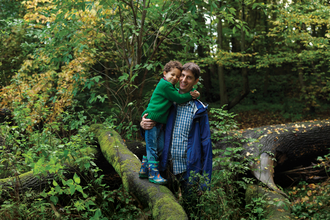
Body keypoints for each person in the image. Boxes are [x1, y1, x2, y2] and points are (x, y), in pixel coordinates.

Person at [140, 62, 212, 201]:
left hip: (189, 168)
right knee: (166, 206)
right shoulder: (169, 101)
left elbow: (206, 145)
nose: (183, 80)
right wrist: (143, 123)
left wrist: (204, 181)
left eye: (189, 77)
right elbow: (154, 118)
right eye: (182, 76)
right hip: (166, 166)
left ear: (196, 81)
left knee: (191, 208)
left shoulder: (199, 110)